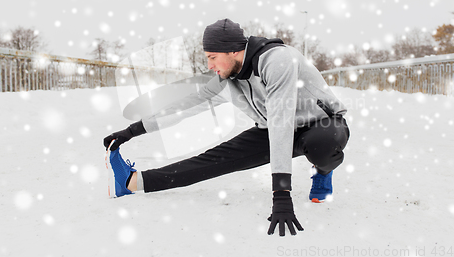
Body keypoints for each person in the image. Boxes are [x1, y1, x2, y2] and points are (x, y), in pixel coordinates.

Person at [104, 18, 350, 237]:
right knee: (213, 160)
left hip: (323, 123)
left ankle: (323, 171)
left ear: (233, 51)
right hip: (270, 128)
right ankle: (134, 182)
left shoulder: (278, 61)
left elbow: (281, 121)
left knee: (321, 145)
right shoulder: (225, 79)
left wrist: (281, 195)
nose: (210, 65)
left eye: (212, 57)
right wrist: (132, 131)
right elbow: (184, 106)